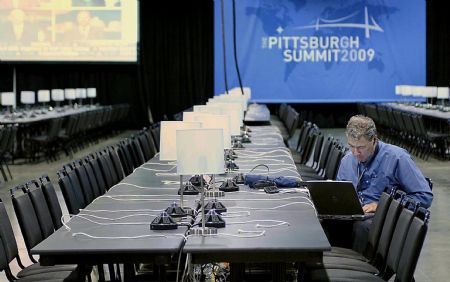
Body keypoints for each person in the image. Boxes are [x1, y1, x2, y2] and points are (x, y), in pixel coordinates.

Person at [337, 115, 433, 212]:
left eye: (361, 147)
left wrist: (384, 206)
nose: (355, 152)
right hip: (353, 214)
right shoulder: (347, 160)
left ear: (374, 140)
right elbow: (339, 194)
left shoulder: (398, 158)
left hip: (382, 218)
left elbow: (424, 196)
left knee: (359, 226)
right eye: (351, 146)